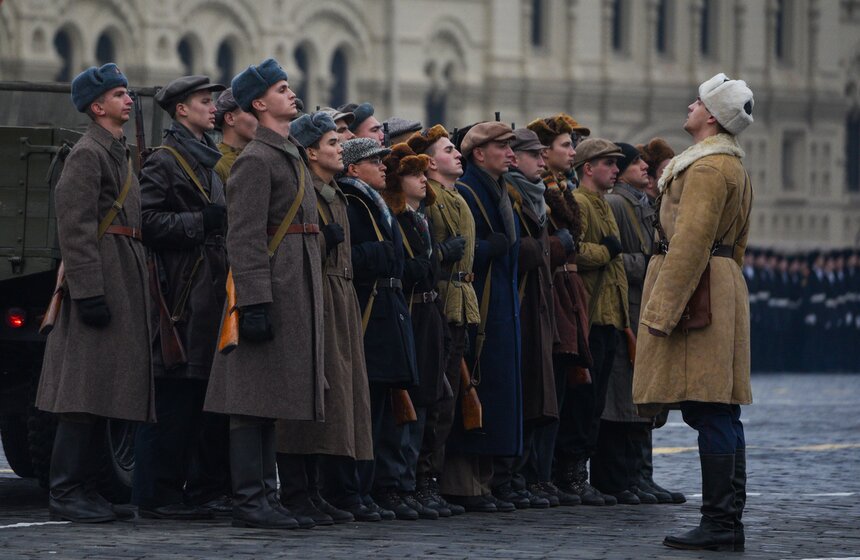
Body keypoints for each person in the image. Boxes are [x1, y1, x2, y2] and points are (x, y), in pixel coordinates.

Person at [633, 72, 755, 551]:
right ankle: (726, 522)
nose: (690, 105)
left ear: (711, 116)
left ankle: (720, 523)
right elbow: (736, 245)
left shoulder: (705, 169)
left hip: (699, 291)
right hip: (718, 285)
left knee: (710, 409)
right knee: (719, 409)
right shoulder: (728, 166)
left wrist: (661, 311)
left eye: (698, 101)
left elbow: (690, 243)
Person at [203, 58, 326, 530]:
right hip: (271, 287)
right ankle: (250, 499)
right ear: (259, 102)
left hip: (292, 285)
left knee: (270, 397)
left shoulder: (286, 153)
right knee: (251, 398)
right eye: (281, 88)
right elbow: (245, 236)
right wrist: (253, 300)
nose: (292, 94)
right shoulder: (256, 159)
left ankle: (266, 497)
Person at [36, 63, 154, 523]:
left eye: (128, 93)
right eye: (119, 94)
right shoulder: (88, 153)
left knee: (103, 390)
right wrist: (87, 291)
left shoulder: (115, 152)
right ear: (97, 105)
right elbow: (76, 226)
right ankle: (66, 490)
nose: (128, 100)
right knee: (82, 394)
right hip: (101, 277)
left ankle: (83, 488)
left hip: (121, 274)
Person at [135, 75, 230, 520]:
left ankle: (180, 490)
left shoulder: (204, 161)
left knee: (192, 399)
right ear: (181, 110)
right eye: (204, 101)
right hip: (179, 294)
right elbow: (148, 222)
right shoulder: (166, 161)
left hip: (203, 293)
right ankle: (158, 494)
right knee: (172, 401)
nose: (213, 108)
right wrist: (200, 221)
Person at [274, 112, 374, 526]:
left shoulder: (334, 192)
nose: (340, 149)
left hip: (340, 297)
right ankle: (297, 490)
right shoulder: (308, 192)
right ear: (310, 151)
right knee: (311, 397)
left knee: (335, 403)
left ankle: (314, 489)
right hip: (318, 294)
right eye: (332, 143)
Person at [337, 137, 419, 521]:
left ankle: (370, 488)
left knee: (383, 409)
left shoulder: (374, 201)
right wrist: (377, 255)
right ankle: (354, 489)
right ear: (353, 168)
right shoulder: (350, 202)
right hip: (368, 311)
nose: (383, 166)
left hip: (388, 312)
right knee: (364, 408)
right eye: (373, 160)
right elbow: (342, 257)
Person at [444, 122, 521, 513]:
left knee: (494, 391)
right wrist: (490, 248)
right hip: (478, 302)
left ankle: (486, 481)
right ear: (479, 153)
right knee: (473, 385)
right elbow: (463, 249)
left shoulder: (499, 188)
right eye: (502, 147)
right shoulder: (470, 190)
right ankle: (465, 483)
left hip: (500, 302)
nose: (511, 153)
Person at [558, 138, 629, 507]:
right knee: (583, 401)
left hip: (607, 315)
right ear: (588, 168)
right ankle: (570, 474)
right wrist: (605, 252)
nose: (615, 169)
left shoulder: (601, 203)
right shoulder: (582, 202)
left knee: (595, 400)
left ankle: (579, 472)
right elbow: (576, 251)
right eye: (608, 163)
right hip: (590, 313)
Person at [406, 125, 473, 517]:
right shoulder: (430, 200)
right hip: (439, 300)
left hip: (461, 302)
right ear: (430, 162)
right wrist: (444, 254)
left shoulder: (457, 198)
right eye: (449, 150)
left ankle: (429, 478)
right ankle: (420, 479)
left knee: (447, 401)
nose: (457, 154)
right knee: (433, 397)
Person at [526, 114, 592, 507]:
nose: (572, 152)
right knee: (548, 384)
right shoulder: (542, 193)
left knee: (567, 386)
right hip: (551, 291)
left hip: (568, 291)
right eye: (566, 145)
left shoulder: (561, 189)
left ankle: (556, 472)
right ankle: (541, 473)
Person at [381, 143, 448, 519]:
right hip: (409, 309)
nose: (423, 180)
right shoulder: (396, 218)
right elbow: (403, 268)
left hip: (427, 312)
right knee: (404, 404)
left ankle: (409, 482)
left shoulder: (419, 218)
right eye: (414, 174)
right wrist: (424, 264)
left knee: (425, 400)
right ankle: (395, 483)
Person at [492, 128, 557, 510]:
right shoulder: (512, 196)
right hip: (520, 302)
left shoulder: (536, 197)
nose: (542, 161)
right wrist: (545, 247)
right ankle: (512, 475)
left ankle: (529, 475)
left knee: (539, 394)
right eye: (535, 155)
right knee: (522, 391)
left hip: (539, 302)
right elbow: (513, 248)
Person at [591, 142, 658, 505]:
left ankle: (635, 476)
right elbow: (614, 259)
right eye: (637, 163)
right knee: (618, 399)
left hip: (636, 308)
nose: (643, 167)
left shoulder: (636, 203)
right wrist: (650, 265)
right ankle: (618, 478)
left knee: (635, 398)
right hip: (624, 307)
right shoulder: (618, 203)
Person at [213, 87, 258, 183]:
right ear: (230, 118)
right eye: (253, 112)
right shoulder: (216, 163)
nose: (260, 118)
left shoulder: (261, 158)